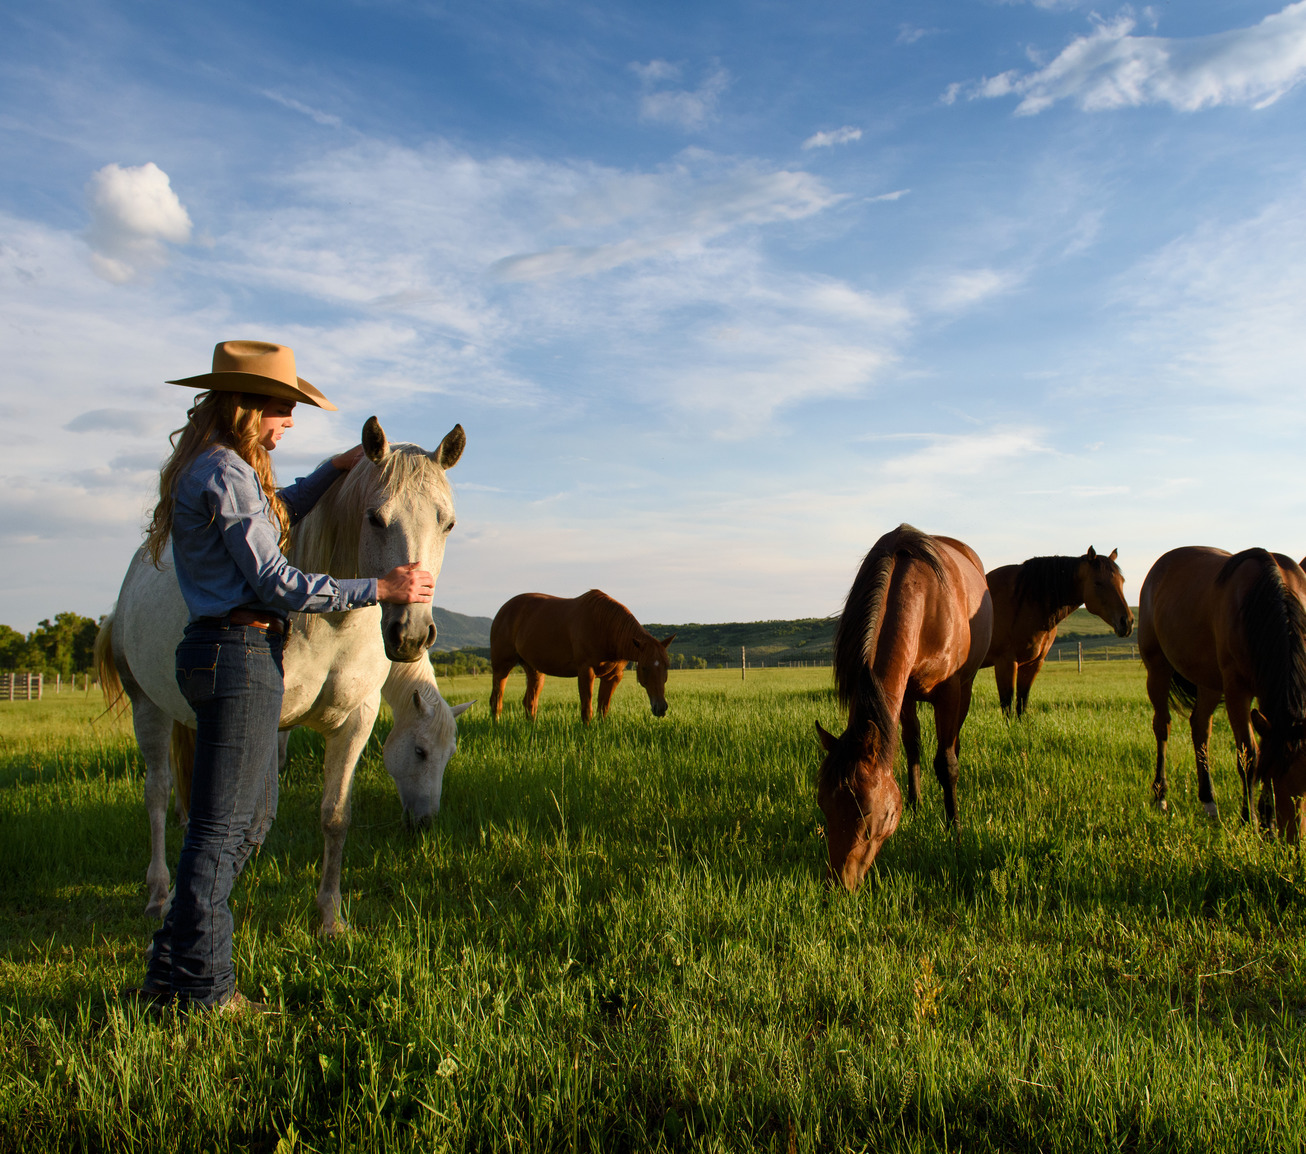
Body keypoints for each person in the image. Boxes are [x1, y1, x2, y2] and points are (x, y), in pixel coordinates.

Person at [129, 340, 432, 1014]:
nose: (288, 421)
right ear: (246, 405)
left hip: (238, 653)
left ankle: (172, 967)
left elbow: (279, 511)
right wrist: (378, 586)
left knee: (248, 817)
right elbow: (275, 577)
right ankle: (204, 988)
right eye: (281, 408)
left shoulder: (226, 469)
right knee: (221, 828)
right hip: (235, 651)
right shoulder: (224, 473)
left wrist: (333, 469)